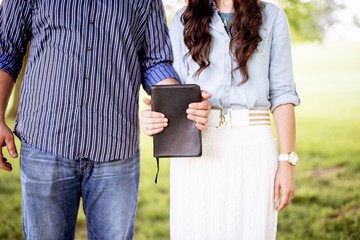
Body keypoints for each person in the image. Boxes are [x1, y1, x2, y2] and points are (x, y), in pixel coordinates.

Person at [0, 0, 211, 239]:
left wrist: (184, 104)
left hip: (116, 149)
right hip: (45, 142)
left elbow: (155, 62)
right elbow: (5, 50)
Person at [141, 0, 300, 239]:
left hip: (254, 146)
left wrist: (287, 162)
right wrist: (155, 116)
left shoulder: (273, 17)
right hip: (197, 148)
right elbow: (174, 93)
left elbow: (283, 93)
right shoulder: (183, 19)